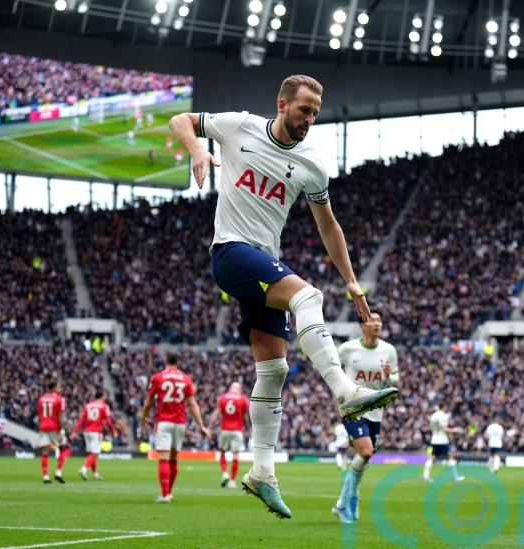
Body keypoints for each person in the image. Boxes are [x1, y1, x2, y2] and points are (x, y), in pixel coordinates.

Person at [169, 74, 398, 519]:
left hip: (262, 262)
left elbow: (328, 225)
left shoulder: (312, 164)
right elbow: (181, 120)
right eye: (303, 110)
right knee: (307, 296)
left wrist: (352, 282)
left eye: (315, 113)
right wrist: (197, 148)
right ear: (282, 104)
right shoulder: (240, 126)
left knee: (274, 369)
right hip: (231, 252)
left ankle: (262, 473)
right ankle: (345, 390)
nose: (309, 119)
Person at [332, 311, 399, 524]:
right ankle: (347, 503)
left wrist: (389, 375)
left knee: (364, 459)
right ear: (362, 326)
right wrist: (341, 393)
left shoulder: (388, 351)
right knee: (366, 452)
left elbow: (395, 382)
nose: (377, 323)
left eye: (379, 320)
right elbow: (332, 369)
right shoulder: (347, 349)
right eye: (372, 320)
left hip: (376, 411)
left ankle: (344, 501)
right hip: (353, 408)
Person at [140, 352, 210, 503]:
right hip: (179, 423)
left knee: (163, 459)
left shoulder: (157, 377)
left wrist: (144, 417)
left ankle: (165, 495)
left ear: (166, 360)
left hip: (164, 422)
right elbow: (192, 404)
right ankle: (169, 493)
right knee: (173, 458)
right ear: (178, 362)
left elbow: (148, 402)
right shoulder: (186, 379)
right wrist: (201, 426)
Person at [208, 382, 249, 488]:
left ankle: (225, 473)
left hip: (225, 429)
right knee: (236, 455)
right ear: (239, 389)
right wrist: (244, 427)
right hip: (237, 430)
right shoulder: (243, 399)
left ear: (230, 388)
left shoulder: (223, 398)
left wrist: (210, 428)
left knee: (222, 452)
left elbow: (215, 415)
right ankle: (232, 480)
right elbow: (245, 417)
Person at [72, 390, 116, 481]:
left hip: (87, 432)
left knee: (92, 454)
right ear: (102, 396)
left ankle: (95, 474)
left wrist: (75, 432)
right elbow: (108, 421)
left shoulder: (88, 406)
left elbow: (81, 420)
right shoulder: (104, 406)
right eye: (105, 395)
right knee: (94, 453)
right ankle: (83, 469)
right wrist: (113, 431)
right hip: (96, 432)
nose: (106, 397)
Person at [36, 378, 71, 484]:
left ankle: (46, 477)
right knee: (65, 449)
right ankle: (58, 473)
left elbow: (39, 414)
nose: (60, 389)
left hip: (43, 427)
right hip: (54, 427)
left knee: (45, 452)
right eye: (59, 387)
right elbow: (61, 415)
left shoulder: (41, 399)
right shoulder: (60, 399)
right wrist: (61, 428)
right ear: (54, 388)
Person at [422, 403, 464, 483]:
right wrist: (455, 430)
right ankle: (456, 477)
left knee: (433, 458)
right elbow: (444, 428)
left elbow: (432, 427)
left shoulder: (433, 416)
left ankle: (425, 476)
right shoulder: (443, 416)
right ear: (444, 407)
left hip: (434, 440)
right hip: (442, 440)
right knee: (450, 457)